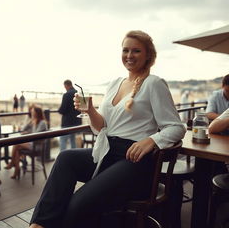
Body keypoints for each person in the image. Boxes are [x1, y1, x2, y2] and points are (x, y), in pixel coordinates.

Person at [29, 30, 186, 228]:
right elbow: (102, 127)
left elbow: (176, 127)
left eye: (136, 51)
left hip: (134, 161)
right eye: (125, 50)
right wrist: (91, 110)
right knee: (65, 158)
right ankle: (39, 225)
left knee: (78, 204)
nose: (129, 55)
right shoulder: (115, 83)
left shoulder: (154, 84)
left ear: (148, 55)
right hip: (108, 152)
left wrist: (150, 141)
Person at [4, 105, 48, 179]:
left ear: (37, 113)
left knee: (16, 144)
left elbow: (36, 135)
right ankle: (16, 170)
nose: (31, 113)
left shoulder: (42, 123)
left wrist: (30, 130)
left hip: (37, 146)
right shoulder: (34, 120)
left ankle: (12, 163)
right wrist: (30, 121)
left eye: (33, 112)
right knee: (17, 150)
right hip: (32, 144)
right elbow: (23, 129)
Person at [58, 80, 81, 151]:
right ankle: (74, 157)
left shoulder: (66, 95)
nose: (65, 88)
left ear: (66, 85)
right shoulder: (78, 93)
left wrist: (59, 111)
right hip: (76, 121)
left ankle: (62, 158)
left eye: (64, 86)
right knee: (72, 140)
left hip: (67, 122)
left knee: (63, 141)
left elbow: (63, 109)